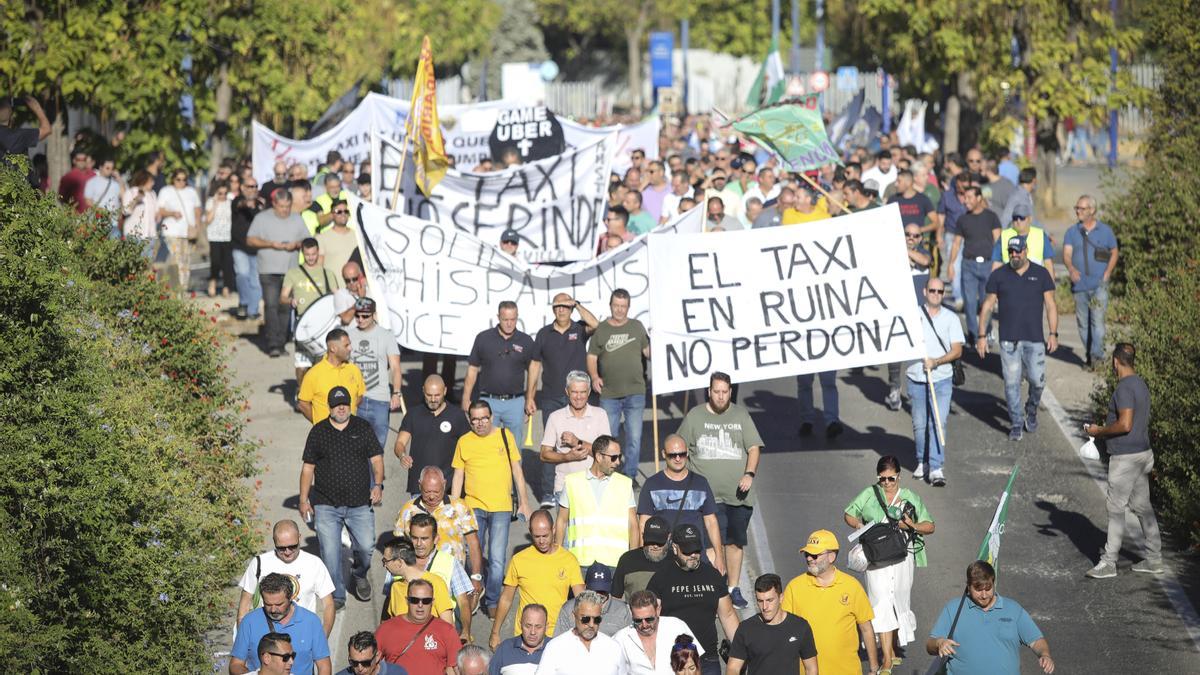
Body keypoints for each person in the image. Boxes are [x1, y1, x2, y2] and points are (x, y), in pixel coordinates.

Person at [843, 456, 935, 673]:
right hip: (876, 557)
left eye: (890, 479)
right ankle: (886, 659)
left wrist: (911, 525)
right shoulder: (869, 493)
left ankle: (892, 649)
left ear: (899, 477)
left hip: (902, 558)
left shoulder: (910, 497)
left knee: (897, 599)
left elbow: (930, 526)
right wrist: (859, 524)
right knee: (880, 601)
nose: (886, 483)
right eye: (882, 478)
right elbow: (848, 513)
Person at [677, 372, 760, 608]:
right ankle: (711, 586)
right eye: (716, 391)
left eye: (725, 392)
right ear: (708, 391)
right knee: (709, 545)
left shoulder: (740, 414)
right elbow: (679, 448)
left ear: (731, 392)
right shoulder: (695, 416)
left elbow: (753, 448)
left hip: (737, 496)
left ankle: (733, 588)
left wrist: (749, 473)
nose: (721, 396)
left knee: (734, 543)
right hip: (704, 498)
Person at [299, 386, 384, 609]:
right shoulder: (318, 432)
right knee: (330, 552)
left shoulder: (363, 427)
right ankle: (336, 595)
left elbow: (376, 459)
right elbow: (308, 468)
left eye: (345, 404)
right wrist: (303, 498)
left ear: (350, 404)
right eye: (337, 405)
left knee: (366, 547)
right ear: (330, 407)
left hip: (360, 504)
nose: (342, 408)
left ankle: (359, 573)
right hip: (326, 504)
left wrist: (378, 485)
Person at [1084, 343, 1162, 578]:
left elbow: (1125, 424)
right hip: (1143, 454)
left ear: (1116, 361)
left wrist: (1099, 431)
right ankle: (1155, 558)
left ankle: (1109, 562)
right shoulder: (1141, 384)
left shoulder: (1124, 389)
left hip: (1126, 458)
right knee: (1141, 506)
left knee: (1115, 508)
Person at [452, 401, 533, 616]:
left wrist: (524, 502)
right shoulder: (464, 441)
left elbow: (517, 471)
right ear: (470, 420)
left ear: (491, 417)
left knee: (497, 559)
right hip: (473, 506)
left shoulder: (505, 437)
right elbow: (458, 474)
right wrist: (453, 504)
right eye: (475, 419)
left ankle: (493, 599)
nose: (479, 423)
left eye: (484, 418)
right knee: (472, 554)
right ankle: (473, 591)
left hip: (501, 508)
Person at [977, 235, 1059, 441]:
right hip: (1008, 341)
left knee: (1037, 381)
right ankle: (1015, 422)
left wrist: (1053, 333)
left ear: (1026, 250)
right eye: (1011, 251)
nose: (1015, 255)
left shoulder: (1041, 274)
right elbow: (987, 306)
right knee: (1011, 383)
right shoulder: (999, 275)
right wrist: (981, 336)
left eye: (1018, 251)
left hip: (1035, 339)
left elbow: (1051, 305)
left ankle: (1031, 409)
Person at [927, 561, 1055, 674]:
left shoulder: (1013, 609)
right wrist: (939, 643)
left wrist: (1045, 655)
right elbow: (930, 645)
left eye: (988, 588)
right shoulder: (954, 608)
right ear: (968, 586)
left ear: (994, 583)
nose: (984, 595)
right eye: (978, 589)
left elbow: (1036, 640)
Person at [781, 529, 878, 675]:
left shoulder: (851, 586)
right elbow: (781, 631)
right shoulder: (794, 587)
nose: (809, 559)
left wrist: (874, 668)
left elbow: (866, 629)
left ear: (831, 556)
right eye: (807, 554)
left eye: (815, 555)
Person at [646, 524, 740, 675]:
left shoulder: (713, 576)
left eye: (696, 550)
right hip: (674, 660)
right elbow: (649, 618)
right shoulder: (661, 578)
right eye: (687, 550)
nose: (693, 555)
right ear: (675, 548)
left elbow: (728, 615)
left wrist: (742, 649)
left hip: (707, 659)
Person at [532, 296, 600, 503]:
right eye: (558, 306)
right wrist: (530, 396)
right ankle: (547, 491)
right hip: (551, 396)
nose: (561, 310)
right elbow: (534, 365)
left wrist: (577, 303)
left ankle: (586, 482)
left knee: (579, 439)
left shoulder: (579, 329)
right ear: (553, 309)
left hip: (577, 395)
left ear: (571, 309)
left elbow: (595, 324)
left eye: (565, 306)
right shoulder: (544, 334)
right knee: (550, 445)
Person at [490, 510, 585, 650]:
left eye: (545, 536)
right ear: (530, 533)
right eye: (536, 536)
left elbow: (581, 599)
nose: (541, 541)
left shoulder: (568, 560)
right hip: (526, 636)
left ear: (553, 530)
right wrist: (495, 632)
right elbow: (506, 598)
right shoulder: (519, 560)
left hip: (557, 635)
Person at [637, 436, 724, 577]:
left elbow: (711, 522)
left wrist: (719, 556)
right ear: (664, 454)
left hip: (694, 558)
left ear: (687, 453)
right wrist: (644, 558)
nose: (678, 458)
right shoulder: (651, 484)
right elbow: (643, 525)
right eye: (672, 455)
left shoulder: (700, 483)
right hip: (663, 558)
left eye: (682, 454)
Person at [588, 289, 651, 482]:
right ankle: (609, 475)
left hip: (635, 392)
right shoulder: (602, 329)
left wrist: (660, 339)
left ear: (628, 307)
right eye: (616, 306)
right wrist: (594, 376)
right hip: (609, 393)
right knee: (608, 438)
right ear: (610, 306)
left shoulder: (637, 326)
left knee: (634, 439)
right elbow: (592, 356)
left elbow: (648, 352)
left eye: (623, 306)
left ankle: (630, 476)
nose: (620, 310)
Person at [237, 520, 335, 636]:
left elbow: (328, 604)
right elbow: (245, 602)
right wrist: (242, 637)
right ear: (274, 541)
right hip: (266, 637)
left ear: (299, 538)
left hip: (303, 634)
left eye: (292, 546)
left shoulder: (314, 563)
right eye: (281, 548)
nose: (287, 552)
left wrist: (323, 637)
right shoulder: (259, 563)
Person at [909, 278, 963, 485]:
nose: (936, 294)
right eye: (932, 290)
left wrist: (937, 361)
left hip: (941, 379)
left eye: (940, 291)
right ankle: (922, 461)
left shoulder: (951, 318)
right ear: (925, 292)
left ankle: (936, 466)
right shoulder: (912, 316)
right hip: (916, 377)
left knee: (938, 422)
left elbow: (957, 350)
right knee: (920, 424)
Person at [556, 435, 637, 570]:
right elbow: (561, 521)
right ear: (599, 457)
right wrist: (557, 556)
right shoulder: (572, 482)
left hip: (616, 563)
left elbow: (633, 525)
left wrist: (633, 562)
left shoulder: (625, 484)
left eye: (619, 457)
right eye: (613, 457)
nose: (618, 462)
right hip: (579, 562)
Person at [229, 573, 332, 675]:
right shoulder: (249, 621)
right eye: (268, 604)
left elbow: (324, 665)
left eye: (279, 604)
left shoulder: (311, 621)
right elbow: (235, 665)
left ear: (291, 597)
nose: (273, 610)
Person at [246, 189, 308, 357]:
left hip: (290, 271)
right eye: (281, 207)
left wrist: (295, 244)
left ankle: (281, 341)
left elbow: (307, 239)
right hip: (268, 269)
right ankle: (273, 343)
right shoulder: (262, 218)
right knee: (271, 305)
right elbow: (250, 239)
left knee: (286, 306)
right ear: (274, 204)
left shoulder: (297, 218)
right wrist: (271, 244)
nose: (285, 210)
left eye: (288, 206)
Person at [462, 301, 537, 437]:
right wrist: (466, 398)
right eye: (505, 319)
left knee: (514, 448)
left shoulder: (525, 341)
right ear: (498, 317)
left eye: (513, 319)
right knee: (487, 445)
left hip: (515, 402)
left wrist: (530, 398)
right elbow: (472, 369)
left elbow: (533, 370)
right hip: (488, 402)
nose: (509, 323)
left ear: (517, 317)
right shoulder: (483, 338)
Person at [1062, 195, 1120, 365]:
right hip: (1079, 285)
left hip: (1099, 284)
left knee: (1098, 321)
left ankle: (1097, 356)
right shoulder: (1072, 232)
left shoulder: (1105, 231)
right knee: (1083, 324)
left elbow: (1114, 251)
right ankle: (1090, 355)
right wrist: (1071, 268)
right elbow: (1066, 254)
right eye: (1076, 208)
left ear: (1092, 210)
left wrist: (1108, 272)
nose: (1078, 211)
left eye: (1081, 208)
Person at [539, 370, 610, 506]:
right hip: (564, 488)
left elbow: (606, 455)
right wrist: (567, 457)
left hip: (595, 487)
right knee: (564, 528)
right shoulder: (555, 417)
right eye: (574, 392)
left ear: (589, 392)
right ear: (567, 391)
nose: (578, 397)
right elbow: (544, 454)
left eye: (583, 392)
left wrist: (577, 442)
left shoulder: (600, 415)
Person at [403, 511, 478, 640]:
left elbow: (463, 602)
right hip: (406, 634)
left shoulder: (450, 562)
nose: (419, 544)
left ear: (436, 539)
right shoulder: (400, 561)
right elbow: (389, 599)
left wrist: (465, 632)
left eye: (424, 539)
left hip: (442, 634)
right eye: (415, 538)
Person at [725, 574, 818, 675]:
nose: (765, 607)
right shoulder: (746, 629)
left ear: (781, 598)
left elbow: (811, 668)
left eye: (770, 600)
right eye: (760, 601)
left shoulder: (800, 626)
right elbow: (733, 668)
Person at [395, 375, 470, 497]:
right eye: (429, 395)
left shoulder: (457, 416)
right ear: (423, 390)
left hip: (448, 488)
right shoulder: (413, 414)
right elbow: (400, 443)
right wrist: (402, 456)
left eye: (437, 395)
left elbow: (469, 447)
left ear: (445, 391)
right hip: (419, 487)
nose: (433, 399)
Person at [283, 238, 341, 385]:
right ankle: (301, 392)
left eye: (314, 254)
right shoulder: (293, 273)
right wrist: (290, 301)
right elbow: (282, 297)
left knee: (323, 365)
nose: (311, 257)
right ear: (303, 253)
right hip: (304, 326)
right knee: (302, 365)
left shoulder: (327, 273)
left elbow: (338, 296)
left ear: (318, 252)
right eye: (307, 254)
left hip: (324, 327)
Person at [345, 297, 401, 449]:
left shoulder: (387, 335)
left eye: (365, 316)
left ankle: (376, 474)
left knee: (377, 450)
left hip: (380, 400)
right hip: (355, 399)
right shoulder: (347, 335)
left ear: (374, 315)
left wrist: (396, 393)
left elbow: (396, 367)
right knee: (355, 449)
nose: (360, 319)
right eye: (357, 315)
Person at [949, 185, 1002, 344]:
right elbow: (957, 243)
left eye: (970, 198)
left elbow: (998, 242)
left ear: (979, 198)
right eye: (965, 198)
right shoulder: (963, 219)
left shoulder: (991, 217)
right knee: (970, 303)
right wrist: (951, 264)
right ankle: (974, 335)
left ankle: (986, 331)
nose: (966, 201)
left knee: (986, 301)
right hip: (969, 265)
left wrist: (998, 265)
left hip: (988, 265)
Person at [376, 578, 461, 674]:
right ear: (407, 601)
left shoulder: (447, 631)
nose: (420, 605)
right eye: (414, 600)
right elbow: (370, 665)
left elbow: (454, 669)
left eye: (426, 601)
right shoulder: (386, 629)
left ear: (432, 602)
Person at [534, 591, 625, 674]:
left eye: (597, 619)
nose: (591, 624)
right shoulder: (555, 647)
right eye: (586, 619)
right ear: (573, 616)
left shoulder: (613, 647)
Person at [614, 589, 703, 674]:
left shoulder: (676, 626)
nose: (644, 625)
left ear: (658, 610)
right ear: (631, 614)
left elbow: (696, 662)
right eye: (638, 620)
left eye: (649, 619)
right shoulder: (621, 639)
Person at [380, 535, 455, 623]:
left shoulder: (436, 583)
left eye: (385, 561)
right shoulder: (395, 588)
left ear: (399, 562)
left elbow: (448, 626)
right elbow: (393, 625)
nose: (384, 565)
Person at [297, 329, 366, 424]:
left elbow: (359, 397)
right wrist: (319, 423)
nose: (350, 348)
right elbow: (303, 404)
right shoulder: (314, 374)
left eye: (349, 344)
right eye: (346, 345)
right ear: (333, 348)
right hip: (324, 435)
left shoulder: (354, 370)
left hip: (350, 432)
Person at [158, 168, 201, 291]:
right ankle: (177, 288)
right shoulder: (166, 191)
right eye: (178, 179)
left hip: (188, 233)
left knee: (186, 261)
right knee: (177, 260)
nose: (181, 182)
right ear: (173, 179)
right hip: (172, 231)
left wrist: (197, 226)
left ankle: (183, 288)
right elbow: (160, 210)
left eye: (184, 180)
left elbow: (197, 209)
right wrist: (172, 213)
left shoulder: (191, 191)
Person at [612, 517, 670, 601]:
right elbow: (615, 599)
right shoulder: (628, 560)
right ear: (643, 536)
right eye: (651, 541)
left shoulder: (675, 561)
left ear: (669, 537)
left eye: (660, 542)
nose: (655, 546)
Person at [231, 176, 265, 319]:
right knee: (242, 274)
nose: (253, 189)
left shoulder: (261, 204)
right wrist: (248, 204)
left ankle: (253, 310)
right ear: (243, 188)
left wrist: (258, 206)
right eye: (250, 186)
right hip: (240, 247)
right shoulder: (237, 201)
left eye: (255, 186)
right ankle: (244, 303)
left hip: (257, 249)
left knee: (256, 282)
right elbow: (241, 206)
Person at [991, 203, 1055, 277]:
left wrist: (1051, 286)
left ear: (1030, 219)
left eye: (1022, 218)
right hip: (1011, 282)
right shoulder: (1004, 236)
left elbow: (1048, 265)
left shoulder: (1040, 235)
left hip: (1035, 283)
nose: (1018, 221)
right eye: (1015, 218)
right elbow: (996, 265)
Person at [491, 603, 550, 674]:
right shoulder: (505, 648)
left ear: (546, 627)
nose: (533, 632)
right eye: (528, 626)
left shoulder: (556, 648)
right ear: (520, 624)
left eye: (538, 627)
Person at [83, 155, 124, 238]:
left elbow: (123, 195)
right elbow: (88, 201)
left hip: (114, 223)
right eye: (107, 168)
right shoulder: (92, 182)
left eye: (111, 168)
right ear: (101, 167)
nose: (110, 171)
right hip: (97, 222)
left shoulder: (115, 184)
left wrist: (119, 178)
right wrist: (101, 210)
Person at [316, 198, 360, 276]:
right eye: (339, 212)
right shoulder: (322, 238)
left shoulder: (358, 236)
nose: (343, 214)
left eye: (346, 211)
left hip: (354, 286)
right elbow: (318, 268)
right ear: (332, 214)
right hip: (333, 287)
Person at [335, 631, 409, 675]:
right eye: (354, 663)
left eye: (366, 663)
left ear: (377, 656)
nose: (360, 669)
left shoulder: (397, 673)